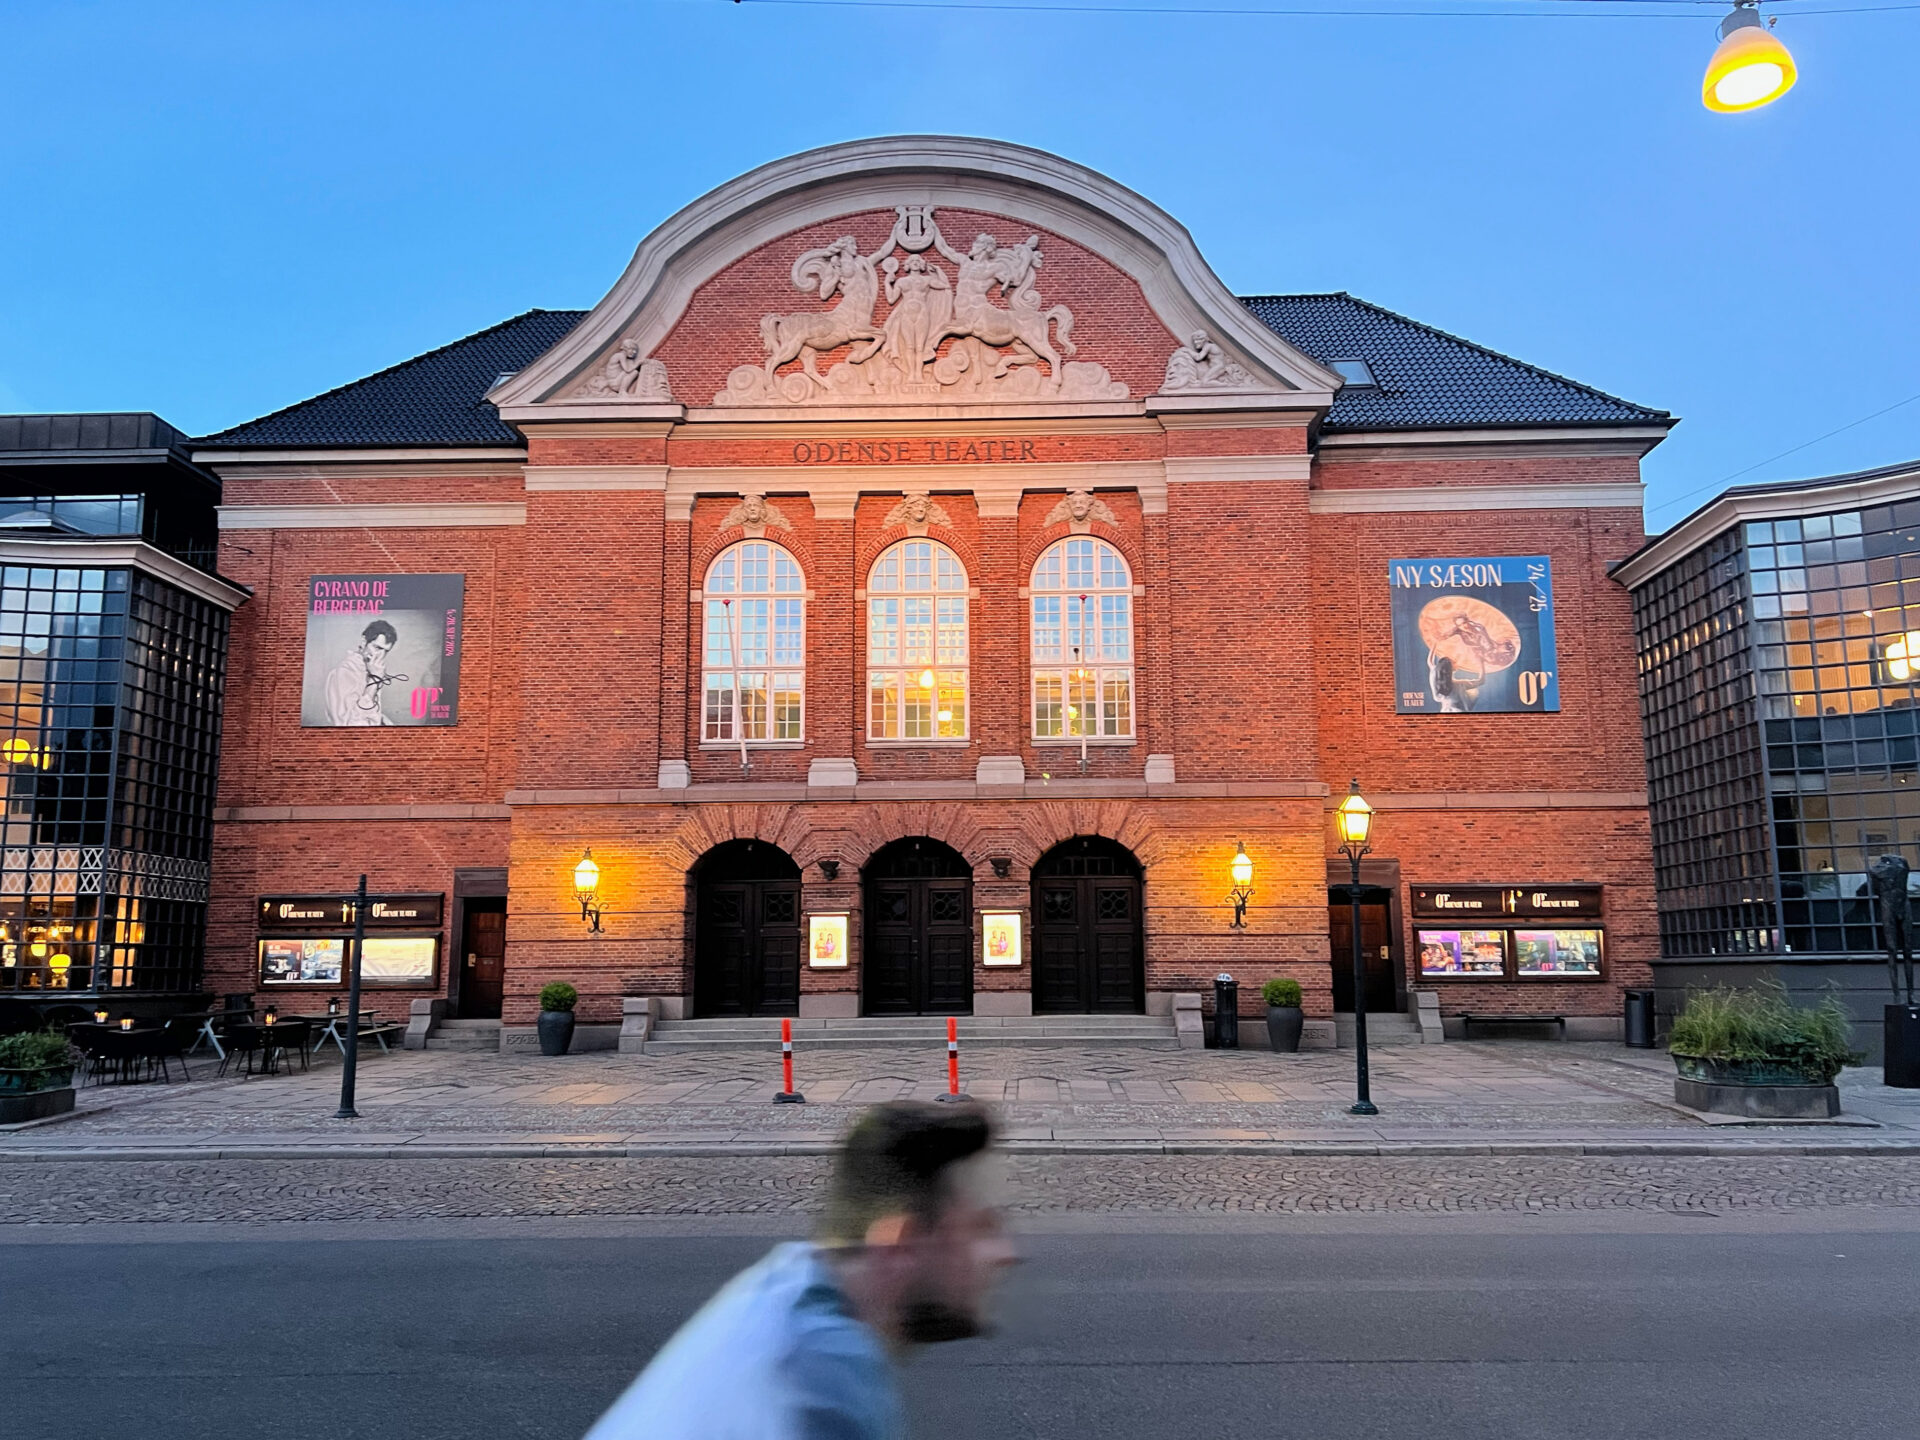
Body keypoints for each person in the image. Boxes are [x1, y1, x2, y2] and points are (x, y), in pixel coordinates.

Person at [585, 1101, 1014, 1440]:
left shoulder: (788, 1279)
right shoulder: (821, 1383)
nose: (1005, 1254)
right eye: (981, 1228)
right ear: (899, 1243)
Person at [323, 619, 399, 725]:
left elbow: (365, 711)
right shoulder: (344, 672)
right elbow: (350, 724)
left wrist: (382, 719)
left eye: (386, 651)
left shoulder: (370, 669)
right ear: (364, 642)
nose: (380, 656)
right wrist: (375, 680)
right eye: (377, 647)